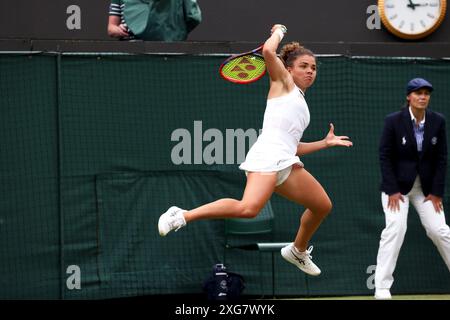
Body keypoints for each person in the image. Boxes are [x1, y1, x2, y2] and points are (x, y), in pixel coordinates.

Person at [158, 24, 353, 276]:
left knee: (322, 206)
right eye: (304, 66)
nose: (310, 71)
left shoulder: (301, 104)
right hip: (267, 157)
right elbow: (270, 53)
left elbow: (293, 146)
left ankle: (297, 250)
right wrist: (279, 31)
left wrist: (324, 143)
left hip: (285, 160)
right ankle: (182, 214)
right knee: (248, 209)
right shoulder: (283, 83)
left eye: (313, 68)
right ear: (289, 69)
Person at [374, 78, 450, 299]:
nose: (423, 97)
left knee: (439, 230)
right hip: (396, 189)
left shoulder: (438, 121)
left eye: (426, 93)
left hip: (426, 191)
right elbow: (384, 156)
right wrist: (392, 190)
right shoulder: (393, 121)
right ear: (409, 97)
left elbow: (442, 158)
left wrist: (436, 192)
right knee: (396, 228)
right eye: (418, 93)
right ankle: (382, 288)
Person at [107, 0, 202, 41]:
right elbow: (111, 28)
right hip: (130, 50)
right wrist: (118, 30)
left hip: (162, 52)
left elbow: (193, 17)